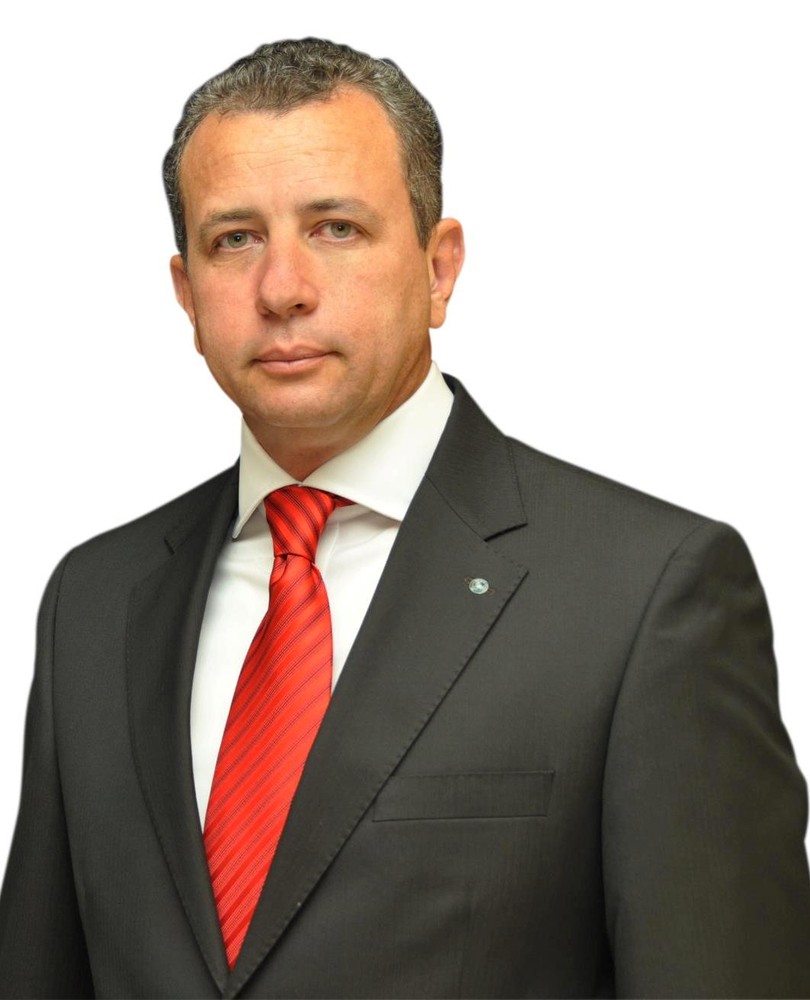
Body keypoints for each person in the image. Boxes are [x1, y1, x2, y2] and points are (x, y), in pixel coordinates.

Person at [0, 37, 808, 999]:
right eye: (235, 239)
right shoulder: (95, 602)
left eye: (336, 228)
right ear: (186, 292)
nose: (283, 288)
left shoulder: (645, 597)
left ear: (439, 267)